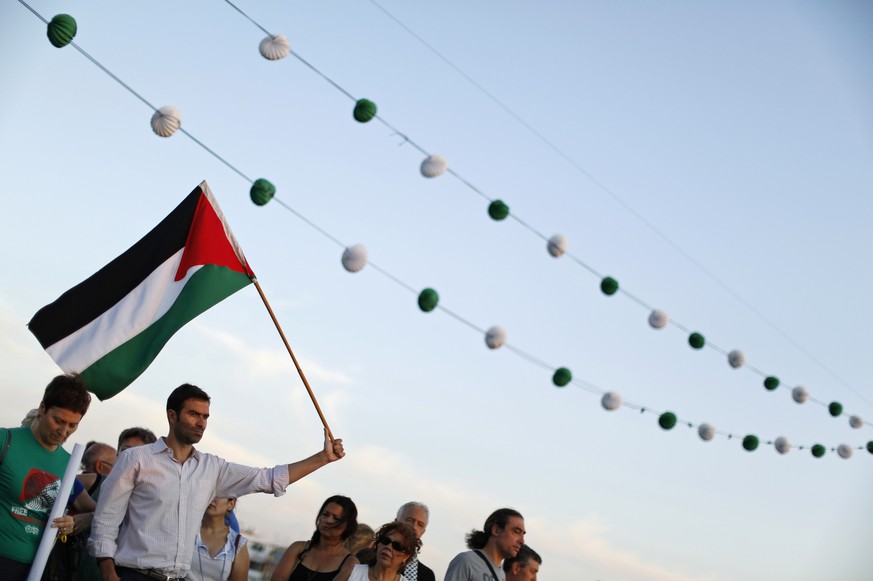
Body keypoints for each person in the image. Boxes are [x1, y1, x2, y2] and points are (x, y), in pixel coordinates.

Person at [89, 383, 346, 581]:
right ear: (172, 415)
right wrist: (108, 572)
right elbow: (106, 520)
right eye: (193, 414)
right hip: (133, 574)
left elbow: (268, 478)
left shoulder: (212, 468)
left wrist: (323, 457)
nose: (201, 423)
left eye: (205, 416)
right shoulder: (136, 458)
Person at [0, 374, 92, 580]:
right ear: (42, 408)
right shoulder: (5, 441)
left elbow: (93, 510)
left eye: (72, 425)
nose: (64, 431)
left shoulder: (68, 463)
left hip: (38, 568)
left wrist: (75, 521)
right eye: (58, 421)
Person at [271, 495, 359, 581]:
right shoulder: (298, 548)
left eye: (336, 519)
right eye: (325, 514)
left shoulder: (350, 563)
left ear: (347, 526)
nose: (328, 521)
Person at [443, 508, 525, 581]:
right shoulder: (466, 561)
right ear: (496, 530)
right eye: (516, 531)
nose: (522, 541)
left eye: (523, 534)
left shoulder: (502, 575)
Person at [186, 497, 248, 581]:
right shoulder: (188, 531)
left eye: (219, 495)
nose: (212, 499)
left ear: (231, 504)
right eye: (211, 492)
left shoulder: (237, 544)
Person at [336, 522, 418, 581]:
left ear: (406, 557)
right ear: (378, 544)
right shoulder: (352, 573)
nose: (389, 547)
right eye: (385, 540)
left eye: (397, 546)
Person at [395, 502, 435, 581]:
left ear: (423, 532)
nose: (414, 527)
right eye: (409, 520)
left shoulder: (427, 576)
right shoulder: (372, 558)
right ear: (396, 522)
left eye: (420, 524)